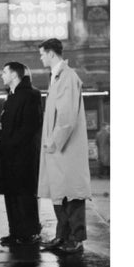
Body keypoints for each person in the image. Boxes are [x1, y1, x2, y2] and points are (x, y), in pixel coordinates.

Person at [38, 38, 92, 254]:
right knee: (60, 193)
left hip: (65, 149)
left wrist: (53, 141)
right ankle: (62, 236)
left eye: (42, 54)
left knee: (72, 194)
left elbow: (67, 117)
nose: (41, 58)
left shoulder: (67, 77)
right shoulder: (57, 77)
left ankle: (76, 239)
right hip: (58, 150)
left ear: (51, 54)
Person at [0, 62, 43, 245]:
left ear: (15, 75)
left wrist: (9, 144)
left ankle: (29, 232)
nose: (2, 75)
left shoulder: (31, 94)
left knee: (24, 196)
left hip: (23, 156)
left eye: (4, 71)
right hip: (8, 156)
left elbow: (30, 126)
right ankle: (15, 232)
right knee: (11, 195)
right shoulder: (11, 95)